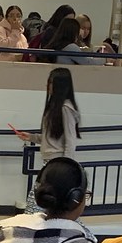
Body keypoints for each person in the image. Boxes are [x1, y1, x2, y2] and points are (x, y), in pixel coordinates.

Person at [15, 67, 82, 205]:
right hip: (51, 163)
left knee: (38, 202)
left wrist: (66, 168)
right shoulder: (54, 107)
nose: (47, 86)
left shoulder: (65, 108)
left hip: (57, 164)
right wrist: (31, 137)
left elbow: (70, 140)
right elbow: (52, 137)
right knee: (40, 202)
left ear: (59, 85)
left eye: (50, 82)